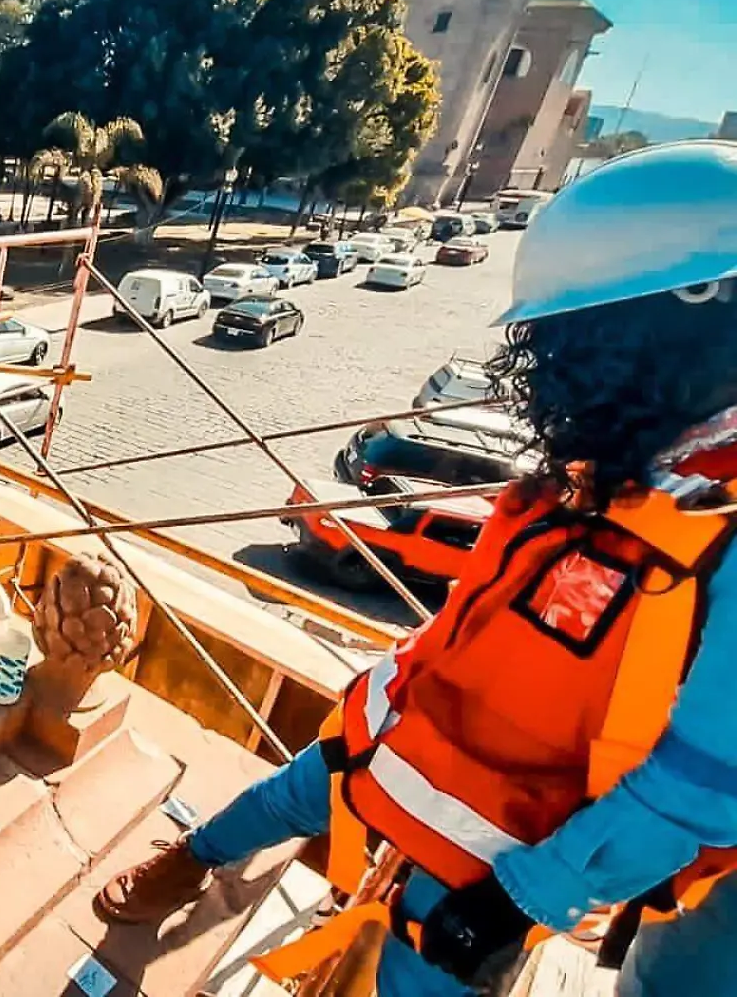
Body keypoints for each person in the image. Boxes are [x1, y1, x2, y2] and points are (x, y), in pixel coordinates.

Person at [94, 140, 737, 997]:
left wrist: (521, 902)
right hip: (401, 742)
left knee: (413, 978)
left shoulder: (715, 526)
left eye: (573, 347)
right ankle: (193, 857)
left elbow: (696, 789)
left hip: (506, 853)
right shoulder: (618, 470)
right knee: (287, 795)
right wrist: (386, 701)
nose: (550, 377)